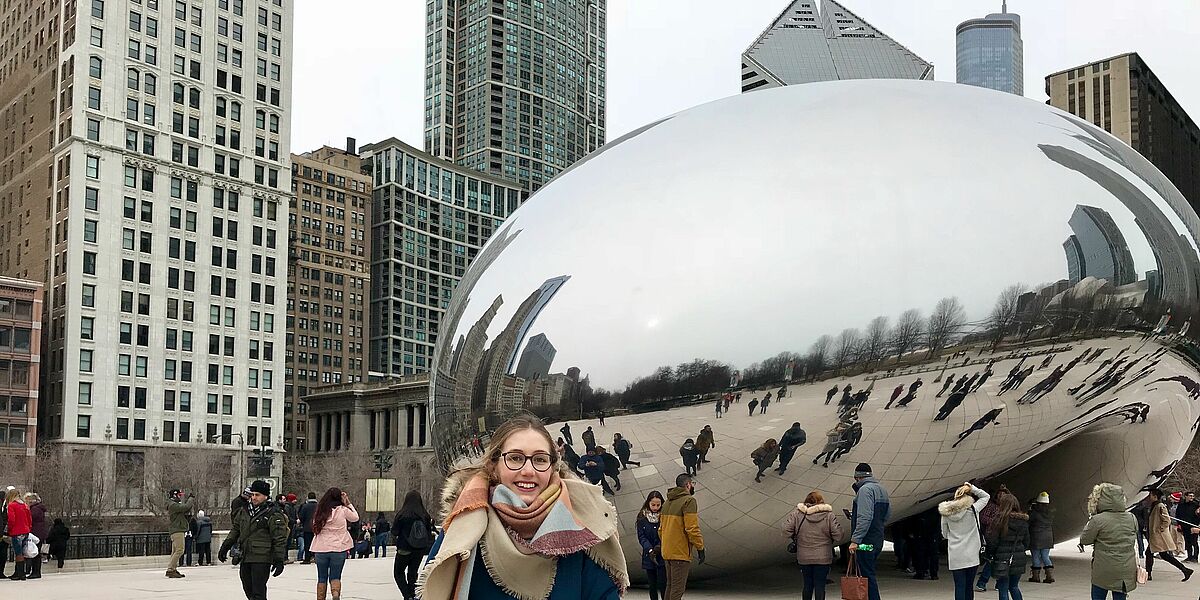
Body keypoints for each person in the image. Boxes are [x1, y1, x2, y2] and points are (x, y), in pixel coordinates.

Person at [420, 415, 628, 600]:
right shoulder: (464, 526)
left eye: (539, 459)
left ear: (552, 467)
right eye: (515, 458)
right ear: (494, 465)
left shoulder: (584, 528)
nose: (528, 471)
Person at [218, 479, 290, 600]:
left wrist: (279, 559)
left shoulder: (273, 513)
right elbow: (236, 530)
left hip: (262, 557)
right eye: (252, 494)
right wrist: (225, 546)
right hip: (245, 555)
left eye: (257, 495)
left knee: (258, 591)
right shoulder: (244, 510)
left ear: (265, 496)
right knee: (248, 588)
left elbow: (279, 538)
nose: (254, 497)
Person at [1081, 482, 1139, 600]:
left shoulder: (1098, 520)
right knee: (1120, 597)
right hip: (1126, 567)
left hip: (1103, 567)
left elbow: (1085, 540)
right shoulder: (1131, 517)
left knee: (1098, 596)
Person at [784, 491, 843, 600]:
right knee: (820, 585)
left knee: (807, 585)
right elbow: (838, 536)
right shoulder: (829, 515)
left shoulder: (797, 514)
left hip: (804, 557)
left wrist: (796, 536)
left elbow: (786, 530)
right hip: (823, 557)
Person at [939, 482, 990, 600]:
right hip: (972, 555)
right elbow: (986, 496)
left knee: (959, 586)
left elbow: (945, 534)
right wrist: (972, 488)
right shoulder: (974, 510)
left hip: (956, 555)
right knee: (969, 586)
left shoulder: (946, 514)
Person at [849, 463, 889, 600]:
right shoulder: (881, 489)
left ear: (857, 477)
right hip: (877, 539)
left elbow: (865, 517)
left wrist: (855, 540)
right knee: (869, 570)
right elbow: (887, 515)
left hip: (866, 541)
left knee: (866, 574)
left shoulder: (865, 490)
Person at [661, 474, 704, 600]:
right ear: (688, 485)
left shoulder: (667, 502)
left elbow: (661, 529)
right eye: (692, 484)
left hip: (667, 551)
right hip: (680, 552)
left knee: (670, 586)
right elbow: (692, 528)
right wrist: (700, 548)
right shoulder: (689, 501)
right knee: (678, 589)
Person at [310, 487, 360, 598]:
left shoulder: (320, 511)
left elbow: (314, 526)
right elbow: (355, 518)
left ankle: (320, 597)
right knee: (335, 576)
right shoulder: (342, 510)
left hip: (321, 548)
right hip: (339, 547)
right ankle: (335, 593)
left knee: (322, 577)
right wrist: (348, 503)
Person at [985, 494, 1030, 600]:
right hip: (1018, 557)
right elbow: (1027, 541)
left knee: (1003, 588)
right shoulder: (1023, 521)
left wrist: (990, 554)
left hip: (1002, 558)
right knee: (1014, 587)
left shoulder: (999, 520)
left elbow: (993, 541)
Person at [391, 490, 435, 600]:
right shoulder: (425, 515)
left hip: (404, 549)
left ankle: (407, 596)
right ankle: (413, 595)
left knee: (398, 573)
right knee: (413, 573)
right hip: (419, 549)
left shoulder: (402, 514)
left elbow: (394, 531)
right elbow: (429, 533)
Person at [1146, 487, 1193, 581]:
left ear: (1155, 496)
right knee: (1164, 555)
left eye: (1150, 495)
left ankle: (1148, 574)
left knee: (1149, 553)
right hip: (1156, 535)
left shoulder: (1160, 506)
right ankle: (1185, 570)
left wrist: (1159, 529)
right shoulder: (1155, 505)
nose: (1149, 497)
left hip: (1158, 536)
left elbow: (1166, 520)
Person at [637, 491, 668, 600]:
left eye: (658, 505)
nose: (655, 508)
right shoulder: (642, 518)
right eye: (653, 505)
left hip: (662, 554)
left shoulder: (664, 517)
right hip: (649, 555)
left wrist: (659, 546)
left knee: (663, 583)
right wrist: (650, 549)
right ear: (648, 503)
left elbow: (667, 533)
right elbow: (641, 537)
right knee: (652, 585)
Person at [166, 488, 195, 578]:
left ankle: (173, 569)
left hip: (177, 530)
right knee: (180, 550)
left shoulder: (174, 504)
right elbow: (185, 507)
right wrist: (190, 499)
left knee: (175, 551)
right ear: (174, 495)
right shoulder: (173, 505)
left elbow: (185, 509)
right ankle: (170, 569)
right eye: (179, 495)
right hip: (177, 530)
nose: (180, 497)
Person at [1028, 492, 1055, 583]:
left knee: (1035, 556)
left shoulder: (1033, 512)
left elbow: (1029, 521)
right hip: (1048, 537)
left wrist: (1031, 508)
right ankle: (1049, 576)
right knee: (1045, 556)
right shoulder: (1051, 512)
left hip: (1036, 536)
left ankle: (1036, 577)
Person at [5, 488, 31, 581]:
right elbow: (29, 518)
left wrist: (9, 529)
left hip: (16, 531)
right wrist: (29, 528)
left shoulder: (12, 506)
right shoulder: (24, 505)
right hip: (25, 530)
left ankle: (20, 574)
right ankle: (20, 573)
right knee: (22, 552)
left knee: (18, 553)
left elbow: (11, 520)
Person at [25, 492, 46, 579]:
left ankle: (36, 572)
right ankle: (36, 571)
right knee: (36, 553)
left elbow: (29, 518)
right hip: (39, 532)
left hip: (36, 533)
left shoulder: (34, 509)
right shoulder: (38, 508)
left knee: (35, 553)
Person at [1178, 490, 1200, 561]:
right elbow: (1178, 515)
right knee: (1187, 542)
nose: (1192, 497)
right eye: (1190, 496)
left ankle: (1195, 557)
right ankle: (1189, 556)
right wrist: (1179, 524)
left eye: (1193, 496)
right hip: (1184, 526)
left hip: (1193, 526)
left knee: (1194, 542)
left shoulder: (1196, 505)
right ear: (1186, 496)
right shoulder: (1181, 505)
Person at [298, 491, 318, 564]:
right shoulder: (318, 506)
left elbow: (301, 517)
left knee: (307, 544)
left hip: (307, 528)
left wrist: (302, 523)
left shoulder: (305, 506)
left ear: (308, 497)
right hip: (316, 528)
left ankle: (307, 559)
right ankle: (316, 557)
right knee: (316, 543)